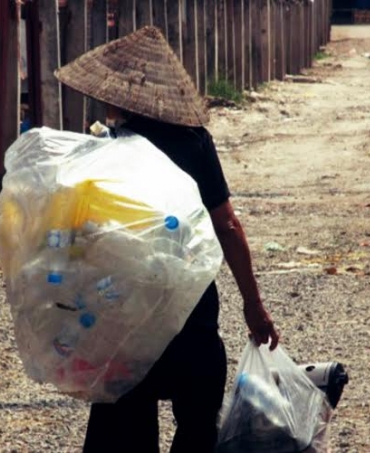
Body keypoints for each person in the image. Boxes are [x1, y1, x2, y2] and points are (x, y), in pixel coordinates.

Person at [54, 26, 279, 453]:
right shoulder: (195, 142)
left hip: (122, 315)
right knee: (198, 422)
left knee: (123, 423)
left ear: (120, 96)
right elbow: (227, 226)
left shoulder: (109, 146)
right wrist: (254, 306)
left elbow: (76, 235)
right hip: (189, 310)